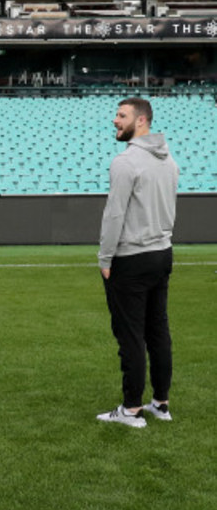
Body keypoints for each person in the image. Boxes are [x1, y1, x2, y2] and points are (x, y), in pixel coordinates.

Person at [96, 97, 179, 428]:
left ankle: (131, 410)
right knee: (158, 329)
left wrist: (105, 257)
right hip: (163, 253)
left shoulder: (126, 161)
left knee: (130, 335)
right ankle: (161, 402)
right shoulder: (169, 159)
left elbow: (114, 213)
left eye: (121, 115)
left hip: (131, 257)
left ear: (141, 121)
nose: (115, 120)